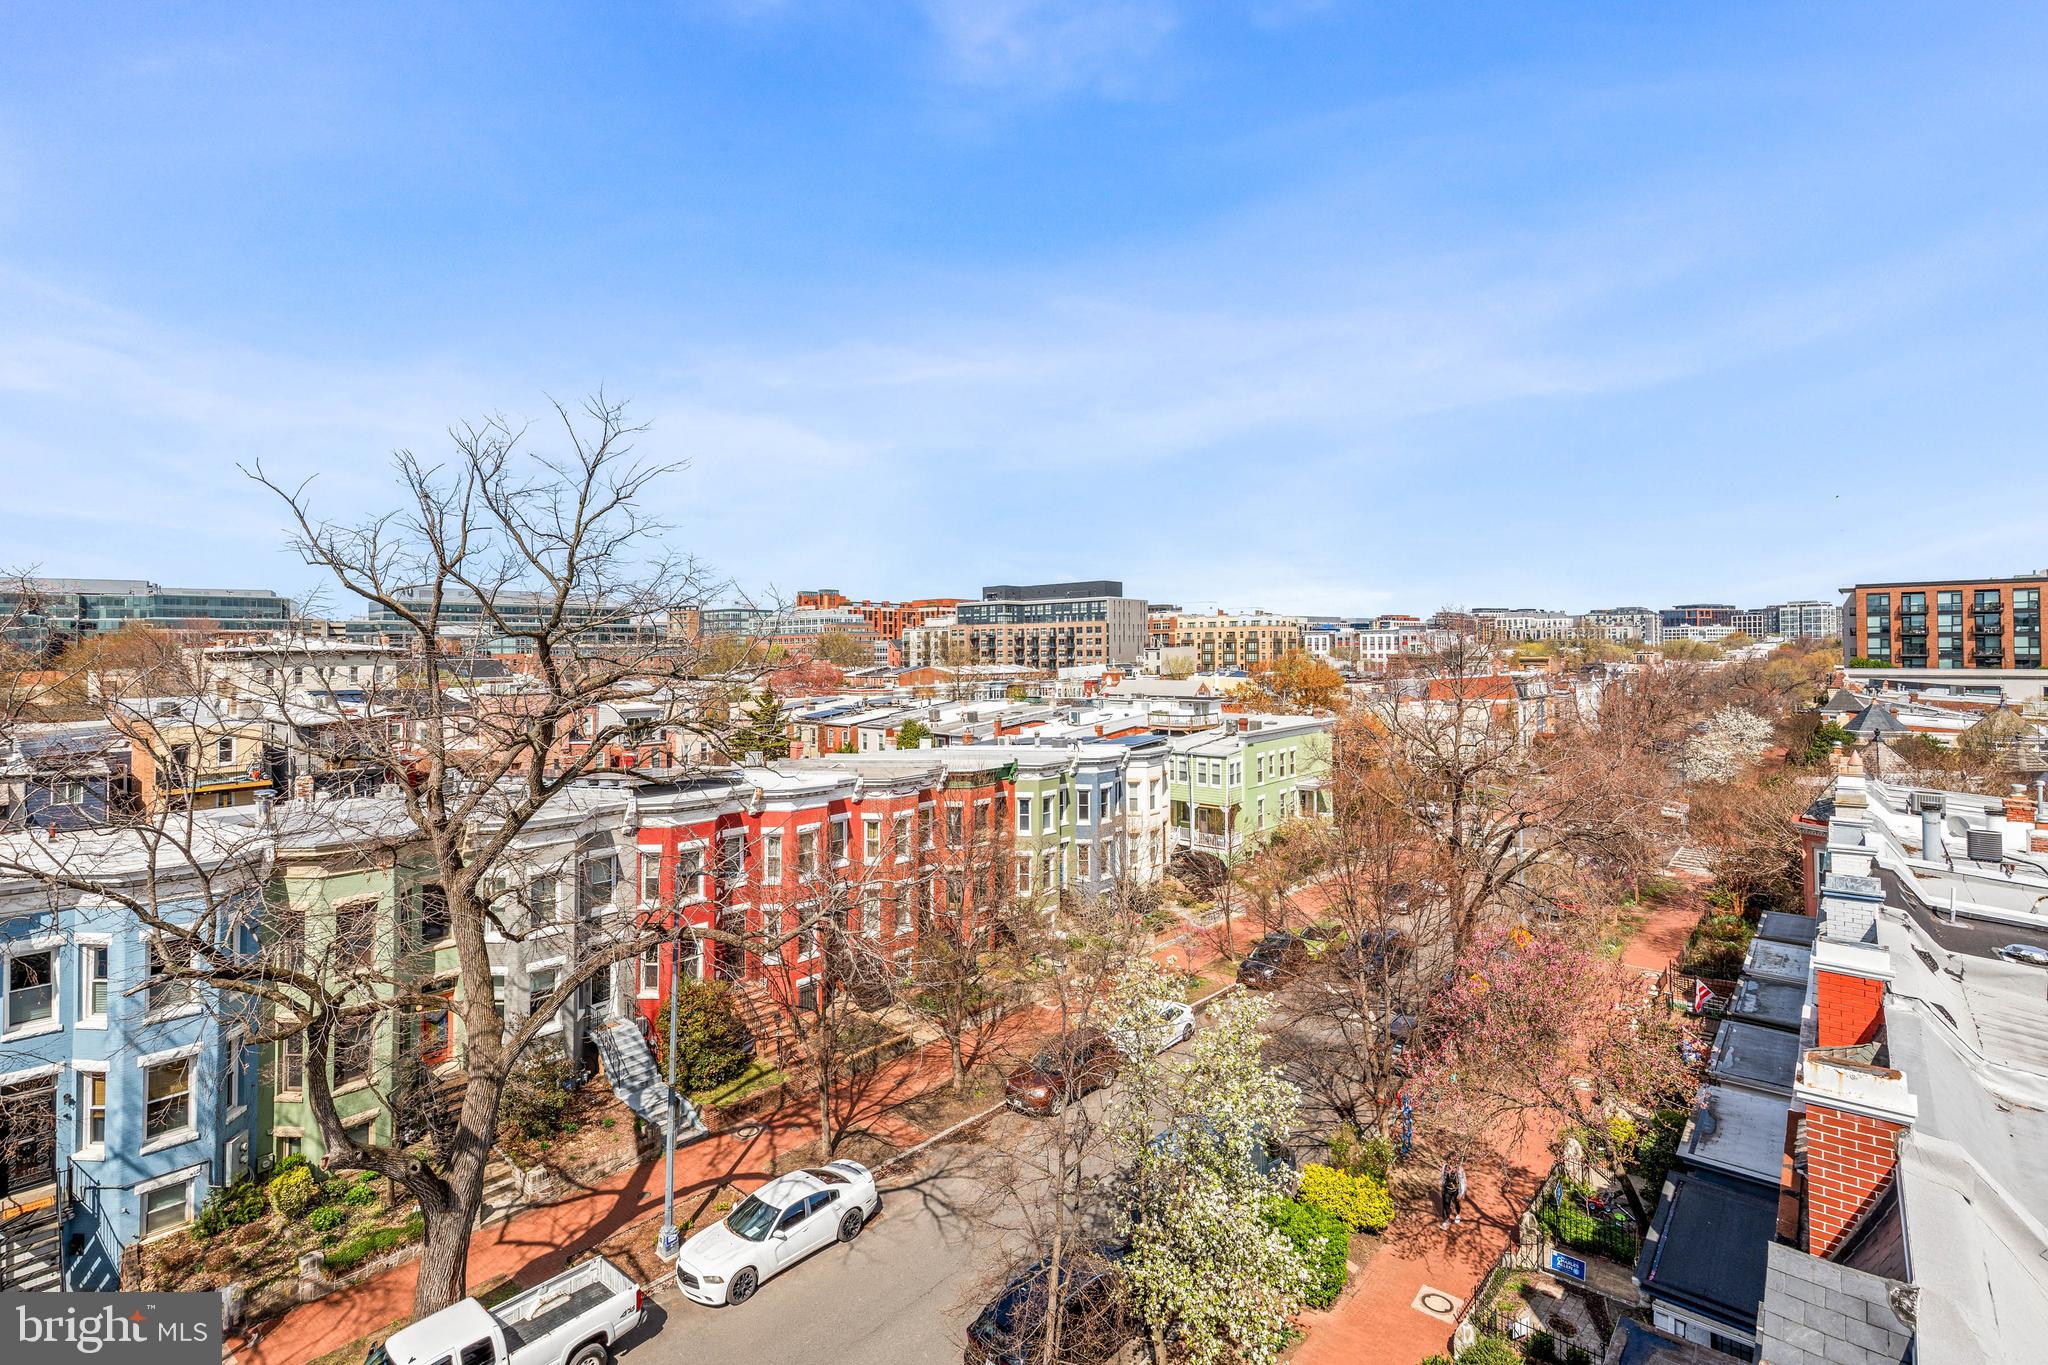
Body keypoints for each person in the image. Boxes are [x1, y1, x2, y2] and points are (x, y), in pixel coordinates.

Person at [1439, 1156, 1467, 1229]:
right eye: (1452, 1160)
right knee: (1446, 1204)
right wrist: (1441, 1186)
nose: (1453, 1162)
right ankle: (1446, 1220)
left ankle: (1458, 1214)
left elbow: (1463, 1182)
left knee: (1456, 1203)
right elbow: (1442, 1177)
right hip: (1447, 1189)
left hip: (1455, 1190)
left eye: (1456, 1160)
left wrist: (1461, 1193)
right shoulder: (1445, 1167)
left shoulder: (1460, 1169)